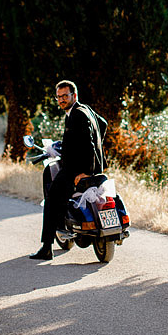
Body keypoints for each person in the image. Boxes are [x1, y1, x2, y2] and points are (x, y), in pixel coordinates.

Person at [29, 80, 108, 261]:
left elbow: (87, 143)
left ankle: (47, 248)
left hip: (76, 170)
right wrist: (98, 150)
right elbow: (102, 124)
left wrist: (87, 170)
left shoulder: (77, 115)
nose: (62, 100)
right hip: (90, 168)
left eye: (65, 96)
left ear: (74, 96)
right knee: (60, 196)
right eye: (59, 97)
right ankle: (64, 227)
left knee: (51, 200)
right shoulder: (84, 110)